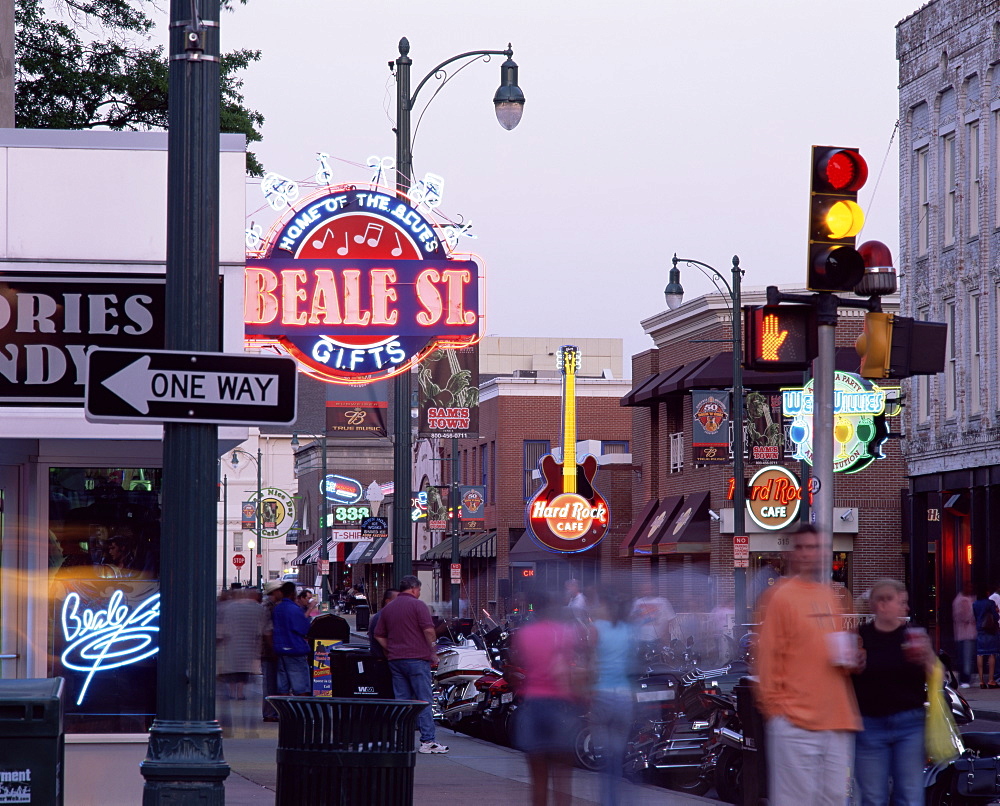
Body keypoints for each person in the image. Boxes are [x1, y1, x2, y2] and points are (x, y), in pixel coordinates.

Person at [753, 524, 862, 806]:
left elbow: (835, 652)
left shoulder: (830, 596)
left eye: (813, 547)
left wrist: (854, 660)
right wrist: (778, 713)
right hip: (795, 722)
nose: (807, 554)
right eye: (801, 547)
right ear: (791, 553)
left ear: (824, 551)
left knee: (836, 800)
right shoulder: (780, 596)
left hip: (836, 721)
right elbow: (766, 658)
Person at [852, 579, 935, 806]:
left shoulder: (913, 636)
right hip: (869, 725)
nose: (906, 608)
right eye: (902, 602)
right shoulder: (859, 638)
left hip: (910, 724)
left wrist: (929, 659)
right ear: (882, 604)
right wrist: (852, 665)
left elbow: (938, 675)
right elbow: (844, 677)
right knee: (872, 797)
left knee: (910, 795)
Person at [513, 588, 585, 806]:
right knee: (563, 777)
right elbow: (574, 664)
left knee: (538, 779)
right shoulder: (565, 633)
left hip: (534, 704)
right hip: (560, 705)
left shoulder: (524, 634)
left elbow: (519, 664)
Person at [374, 575, 448, 754]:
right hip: (417, 659)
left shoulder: (389, 608)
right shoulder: (418, 605)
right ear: (414, 589)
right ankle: (427, 741)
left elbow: (378, 635)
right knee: (423, 700)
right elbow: (429, 630)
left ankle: (402, 741)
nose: (419, 593)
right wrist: (433, 649)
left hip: (395, 660)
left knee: (402, 701)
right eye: (419, 590)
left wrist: (391, 649)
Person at [590, 589, 635, 806]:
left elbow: (589, 660)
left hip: (603, 695)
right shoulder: (628, 629)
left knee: (605, 756)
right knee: (618, 754)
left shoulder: (597, 628)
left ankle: (609, 801)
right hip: (624, 697)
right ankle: (619, 798)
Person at [271, 581, 311, 696]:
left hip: (280, 650)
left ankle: (285, 712)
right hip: (295, 649)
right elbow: (303, 629)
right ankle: (301, 712)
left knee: (283, 687)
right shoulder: (293, 609)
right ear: (293, 593)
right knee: (301, 687)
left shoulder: (277, 609)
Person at [630, 580, 675, 651]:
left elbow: (671, 619)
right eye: (644, 589)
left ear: (654, 589)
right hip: (639, 640)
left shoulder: (663, 601)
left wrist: (665, 634)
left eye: (650, 588)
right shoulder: (637, 602)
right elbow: (631, 619)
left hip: (657, 639)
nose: (647, 591)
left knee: (656, 660)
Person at [260, 580, 281, 722]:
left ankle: (272, 711)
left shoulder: (271, 605)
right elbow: (267, 630)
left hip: (269, 650)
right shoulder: (268, 606)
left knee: (272, 682)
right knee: (269, 682)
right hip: (268, 651)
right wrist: (272, 647)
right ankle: (269, 712)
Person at [973, 587, 999, 688]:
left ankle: (981, 681)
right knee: (991, 654)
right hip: (990, 630)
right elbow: (996, 617)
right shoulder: (990, 603)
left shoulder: (975, 604)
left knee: (980, 654)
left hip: (980, 630)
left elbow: (976, 617)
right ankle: (991, 680)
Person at [952, 582, 976, 688]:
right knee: (965, 658)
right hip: (964, 634)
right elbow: (962, 617)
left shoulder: (970, 598)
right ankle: (964, 679)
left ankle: (966, 678)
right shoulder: (960, 601)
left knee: (968, 657)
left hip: (971, 633)